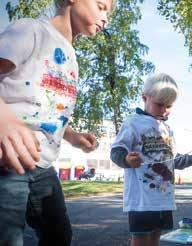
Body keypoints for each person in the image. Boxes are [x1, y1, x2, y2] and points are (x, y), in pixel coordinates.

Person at [0, 0, 113, 245]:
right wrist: (4, 119)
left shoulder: (71, 57)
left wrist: (72, 136)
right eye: (102, 6)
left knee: (59, 235)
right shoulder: (31, 31)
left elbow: (45, 110)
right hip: (8, 161)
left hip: (42, 166)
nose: (106, 18)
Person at [111, 73, 192, 246]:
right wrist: (126, 160)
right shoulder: (133, 123)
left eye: (169, 106)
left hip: (163, 198)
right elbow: (116, 151)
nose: (164, 110)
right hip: (141, 200)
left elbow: (171, 160)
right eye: (159, 104)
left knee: (156, 236)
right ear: (144, 98)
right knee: (141, 238)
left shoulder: (166, 128)